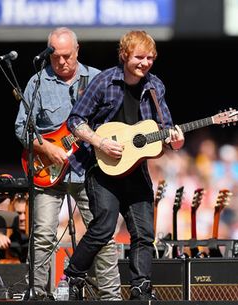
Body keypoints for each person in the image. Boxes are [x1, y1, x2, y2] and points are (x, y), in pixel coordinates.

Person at [63, 30, 185, 300]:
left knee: (144, 233)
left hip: (135, 170)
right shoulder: (104, 81)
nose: (146, 63)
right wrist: (99, 142)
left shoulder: (155, 87)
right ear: (124, 55)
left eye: (151, 58)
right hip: (102, 168)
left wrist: (174, 142)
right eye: (140, 57)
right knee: (104, 226)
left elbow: (163, 136)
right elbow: (75, 121)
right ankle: (73, 274)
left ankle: (141, 288)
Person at [14, 27, 121, 300]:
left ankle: (110, 295)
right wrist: (46, 148)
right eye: (55, 57)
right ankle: (39, 294)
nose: (61, 62)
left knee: (103, 233)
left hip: (88, 169)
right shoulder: (37, 82)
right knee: (43, 235)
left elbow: (115, 122)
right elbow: (21, 128)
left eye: (67, 56)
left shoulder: (97, 79)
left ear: (77, 50)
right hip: (47, 171)